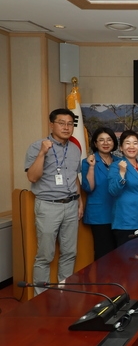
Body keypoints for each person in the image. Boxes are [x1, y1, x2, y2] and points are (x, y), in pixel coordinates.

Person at [25, 108, 83, 295]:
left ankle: (64, 294)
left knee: (69, 253)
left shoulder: (75, 149)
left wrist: (80, 200)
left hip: (71, 205)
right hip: (48, 206)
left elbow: (74, 177)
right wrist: (42, 153)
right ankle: (40, 297)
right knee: (45, 255)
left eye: (69, 124)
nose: (66, 127)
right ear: (51, 125)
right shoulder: (37, 146)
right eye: (61, 123)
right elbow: (32, 178)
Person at [108, 130, 138, 246]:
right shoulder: (116, 166)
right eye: (127, 143)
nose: (131, 146)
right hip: (126, 221)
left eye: (135, 143)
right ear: (121, 148)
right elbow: (113, 191)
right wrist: (122, 173)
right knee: (128, 259)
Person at [81, 127, 120, 260]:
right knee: (103, 252)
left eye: (109, 139)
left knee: (120, 251)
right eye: (101, 140)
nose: (105, 143)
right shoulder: (88, 162)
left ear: (114, 142)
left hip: (119, 213)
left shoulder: (120, 162)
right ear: (95, 143)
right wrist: (92, 167)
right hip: (99, 214)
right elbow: (88, 188)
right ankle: (103, 280)